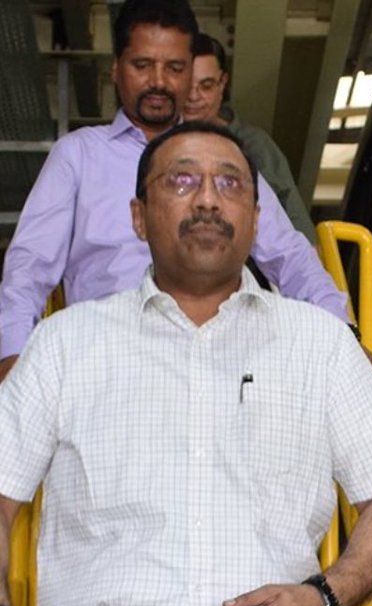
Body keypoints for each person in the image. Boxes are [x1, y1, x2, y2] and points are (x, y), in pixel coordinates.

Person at [0, 121, 372, 606]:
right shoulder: (65, 343)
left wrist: (324, 597)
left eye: (230, 184)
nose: (207, 199)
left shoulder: (320, 344)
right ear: (137, 216)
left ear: (256, 218)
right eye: (181, 181)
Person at [0, 0, 348, 385]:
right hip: (107, 363)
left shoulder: (221, 157)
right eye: (142, 65)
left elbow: (289, 255)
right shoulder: (79, 155)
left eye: (175, 68)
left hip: (218, 360)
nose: (159, 82)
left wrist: (343, 335)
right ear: (116, 68)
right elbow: (28, 268)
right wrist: (12, 356)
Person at [181, 33, 317, 244]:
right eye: (186, 86)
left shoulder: (255, 145)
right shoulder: (151, 146)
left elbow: (297, 225)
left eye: (206, 86)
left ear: (222, 83)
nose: (193, 96)